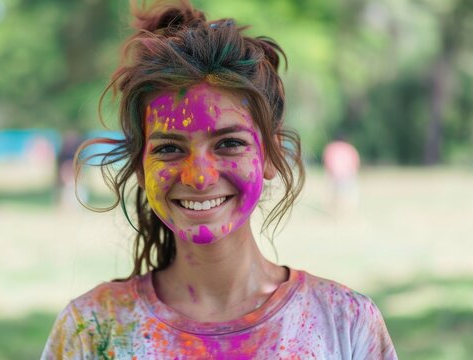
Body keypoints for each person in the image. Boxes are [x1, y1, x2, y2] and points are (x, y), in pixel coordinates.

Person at [42, 1, 397, 358]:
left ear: (270, 156)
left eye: (229, 143)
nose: (199, 176)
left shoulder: (344, 323)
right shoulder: (92, 329)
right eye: (168, 149)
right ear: (140, 165)